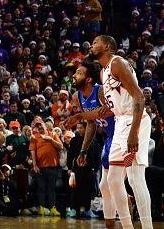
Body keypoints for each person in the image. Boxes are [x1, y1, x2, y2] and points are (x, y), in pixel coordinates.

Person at [89, 35, 153, 229]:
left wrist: (134, 132)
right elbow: (115, 106)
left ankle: (147, 226)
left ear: (107, 46)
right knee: (113, 179)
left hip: (134, 122)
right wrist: (82, 116)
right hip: (120, 123)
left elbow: (139, 96)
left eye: (96, 42)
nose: (92, 45)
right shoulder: (103, 72)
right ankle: (127, 226)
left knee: (134, 178)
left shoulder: (117, 63)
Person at [64, 60, 116, 227]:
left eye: (79, 73)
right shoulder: (77, 97)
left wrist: (79, 117)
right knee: (105, 184)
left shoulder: (100, 91)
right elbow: (92, 123)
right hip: (110, 138)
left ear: (88, 79)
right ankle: (112, 221)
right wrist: (83, 151)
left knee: (118, 182)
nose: (73, 75)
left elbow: (113, 110)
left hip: (123, 135)